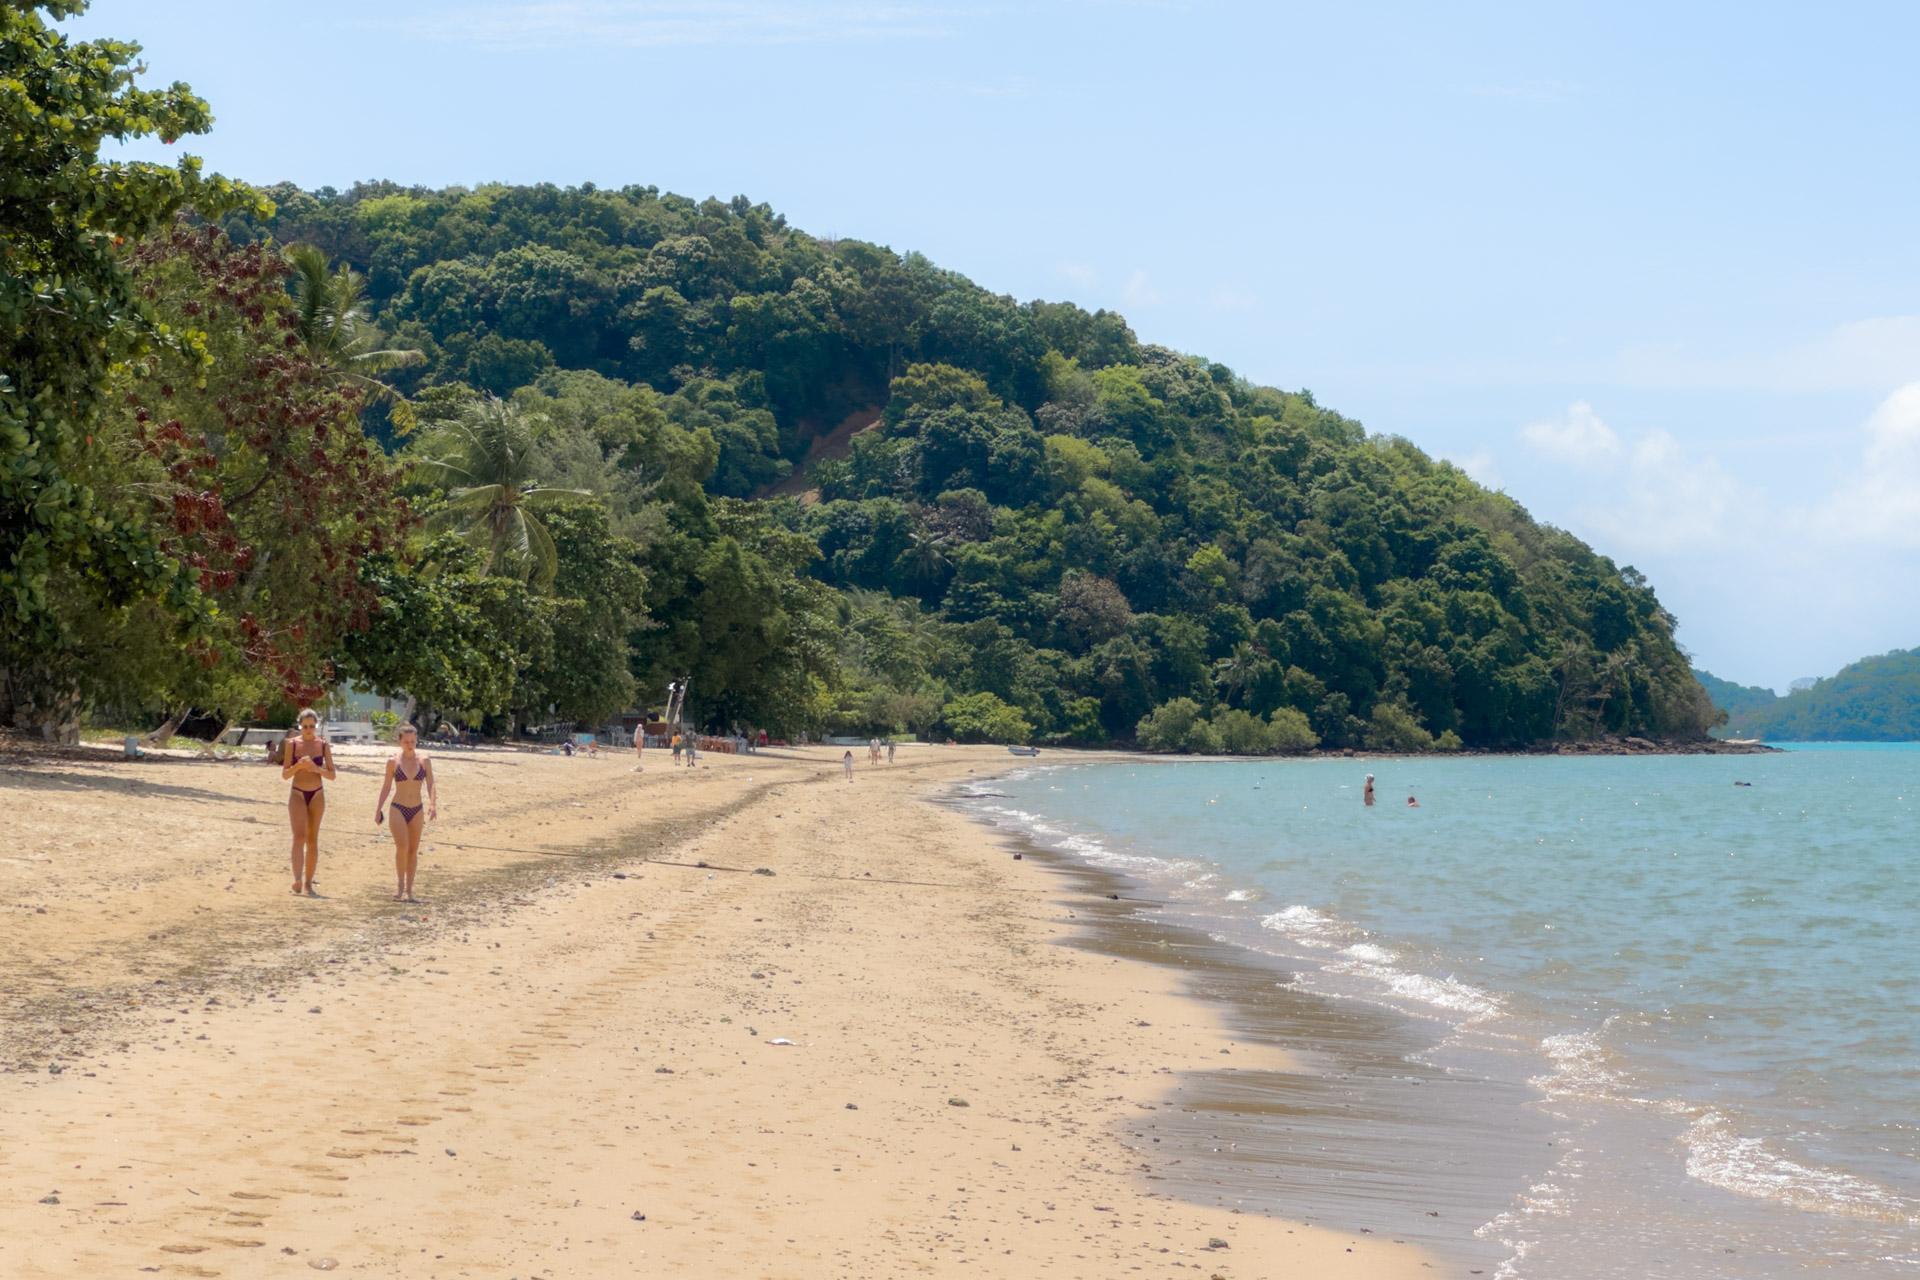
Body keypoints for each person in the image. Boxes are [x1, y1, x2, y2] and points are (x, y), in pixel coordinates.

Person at [374, 724, 438, 902]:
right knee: (402, 847)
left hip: (417, 809)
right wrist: (378, 808)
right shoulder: (393, 762)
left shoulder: (424, 760)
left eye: (413, 741)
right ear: (400, 742)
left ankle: (410, 890)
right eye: (406, 741)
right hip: (398, 808)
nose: (410, 744)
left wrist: (433, 805)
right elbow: (386, 786)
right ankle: (400, 886)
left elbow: (431, 783)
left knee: (413, 850)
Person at [281, 708, 336, 896]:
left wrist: (315, 768)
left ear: (316, 726)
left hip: (317, 794)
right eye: (305, 726)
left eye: (312, 726)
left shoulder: (323, 745)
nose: (308, 729)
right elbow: (285, 775)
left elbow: (332, 775)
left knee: (312, 839)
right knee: (299, 837)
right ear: (300, 726)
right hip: (297, 793)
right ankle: (297, 879)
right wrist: (298, 766)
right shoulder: (292, 744)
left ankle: (308, 883)